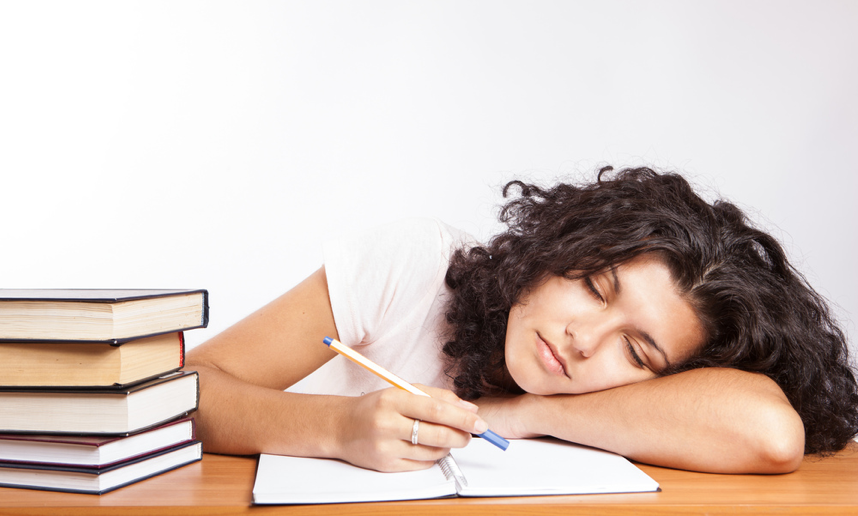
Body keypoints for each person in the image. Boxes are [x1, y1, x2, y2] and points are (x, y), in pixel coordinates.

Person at [184, 166, 858, 475]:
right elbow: (188, 392)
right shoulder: (414, 265)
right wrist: (340, 428)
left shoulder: (616, 401)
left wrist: (527, 415)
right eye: (594, 286)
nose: (584, 341)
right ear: (554, 249)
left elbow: (770, 433)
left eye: (639, 353)